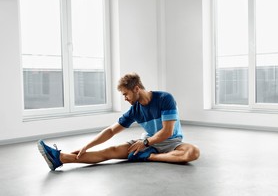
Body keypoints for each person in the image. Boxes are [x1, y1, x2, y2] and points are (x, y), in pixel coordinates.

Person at [37, 73, 200, 171]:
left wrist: (145, 143)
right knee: (110, 151)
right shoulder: (135, 109)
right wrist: (88, 145)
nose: (125, 98)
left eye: (125, 94)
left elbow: (167, 132)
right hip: (147, 143)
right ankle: (60, 158)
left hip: (171, 143)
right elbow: (111, 131)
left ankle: (150, 157)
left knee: (193, 153)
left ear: (136, 88)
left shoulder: (165, 98)